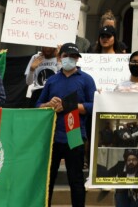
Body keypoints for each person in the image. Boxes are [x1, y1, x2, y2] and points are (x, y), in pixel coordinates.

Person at [37, 43, 96, 207]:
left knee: (76, 179)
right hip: (52, 135)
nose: (70, 59)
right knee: (48, 178)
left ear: (77, 59)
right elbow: (37, 105)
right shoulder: (52, 80)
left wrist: (70, 105)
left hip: (75, 133)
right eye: (66, 56)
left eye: (74, 57)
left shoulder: (86, 79)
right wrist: (48, 104)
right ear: (59, 57)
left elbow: (93, 105)